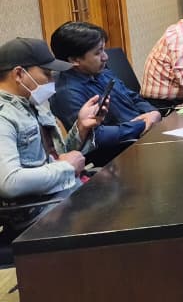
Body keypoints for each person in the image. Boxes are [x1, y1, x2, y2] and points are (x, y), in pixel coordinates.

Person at [1, 37, 107, 201]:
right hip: (42, 208)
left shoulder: (33, 104)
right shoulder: (4, 116)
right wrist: (67, 167)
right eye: (47, 73)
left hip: (65, 191)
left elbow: (58, 156)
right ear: (19, 74)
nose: (52, 81)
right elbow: (10, 183)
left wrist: (81, 127)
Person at [49, 22, 161, 166]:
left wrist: (152, 112)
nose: (105, 57)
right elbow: (96, 136)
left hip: (147, 133)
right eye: (98, 53)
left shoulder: (102, 72)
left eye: (104, 49)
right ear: (75, 60)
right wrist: (142, 124)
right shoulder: (67, 92)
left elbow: (133, 97)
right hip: (122, 153)